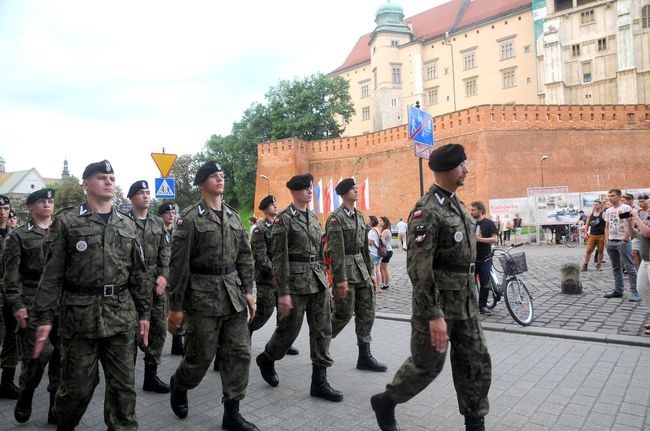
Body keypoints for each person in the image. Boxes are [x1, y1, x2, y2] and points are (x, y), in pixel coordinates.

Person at [371, 143, 491, 431]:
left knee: (476, 362)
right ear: (448, 169)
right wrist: (435, 314)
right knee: (427, 365)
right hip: (438, 304)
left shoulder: (457, 203)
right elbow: (419, 269)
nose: (467, 168)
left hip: (465, 301)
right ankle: (386, 401)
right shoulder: (427, 211)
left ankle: (475, 424)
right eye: (463, 164)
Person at [32, 160, 151, 430]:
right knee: (76, 391)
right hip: (79, 320)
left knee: (124, 391)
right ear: (86, 184)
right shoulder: (67, 221)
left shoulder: (127, 224)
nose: (109, 181)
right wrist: (44, 319)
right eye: (101, 177)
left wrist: (144, 314)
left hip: (121, 318)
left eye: (111, 177)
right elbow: (51, 275)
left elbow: (139, 275)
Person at [166, 161, 258, 431]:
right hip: (202, 297)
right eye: (214, 176)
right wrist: (176, 307)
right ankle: (180, 383)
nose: (220, 179)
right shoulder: (190, 218)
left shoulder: (231, 216)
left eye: (222, 175)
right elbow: (179, 266)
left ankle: (232, 412)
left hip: (233, 295)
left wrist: (248, 291)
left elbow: (244, 255)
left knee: (239, 353)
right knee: (200, 358)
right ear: (202, 182)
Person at [256, 173, 343, 402]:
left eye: (310, 188)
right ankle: (267, 358)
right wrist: (283, 292)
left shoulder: (313, 217)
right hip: (295, 283)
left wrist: (329, 280)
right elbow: (279, 258)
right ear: (294, 192)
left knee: (323, 329)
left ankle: (319, 381)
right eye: (305, 188)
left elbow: (321, 252)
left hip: (317, 281)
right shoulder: (283, 220)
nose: (309, 191)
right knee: (289, 330)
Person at [3, 189, 59, 424]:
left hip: (62, 301)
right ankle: (26, 392)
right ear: (30, 206)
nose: (47, 204)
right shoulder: (19, 237)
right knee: (38, 355)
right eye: (41, 201)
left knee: (62, 355)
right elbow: (11, 277)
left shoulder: (63, 231)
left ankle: (55, 403)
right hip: (32, 301)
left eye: (50, 201)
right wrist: (17, 305)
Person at [327, 178, 386, 373]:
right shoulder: (336, 218)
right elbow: (335, 251)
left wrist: (369, 271)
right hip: (346, 272)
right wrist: (340, 279)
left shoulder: (360, 217)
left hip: (361, 271)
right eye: (352, 188)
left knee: (367, 313)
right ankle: (321, 342)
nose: (356, 190)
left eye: (355, 187)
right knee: (343, 315)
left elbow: (364, 248)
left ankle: (365, 356)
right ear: (344, 193)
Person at [126, 180, 171, 394]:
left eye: (147, 192)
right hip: (132, 286)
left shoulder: (157, 222)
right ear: (132, 197)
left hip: (156, 284)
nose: (146, 196)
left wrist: (163, 276)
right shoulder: (123, 222)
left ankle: (151, 376)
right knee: (131, 333)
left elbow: (165, 251)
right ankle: (126, 379)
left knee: (159, 330)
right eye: (141, 193)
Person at [248, 195, 299, 355]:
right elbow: (261, 257)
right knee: (265, 311)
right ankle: (246, 331)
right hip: (267, 279)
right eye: (271, 204)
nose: (275, 206)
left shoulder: (280, 225)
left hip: (281, 278)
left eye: (275, 203)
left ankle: (281, 343)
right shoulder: (259, 230)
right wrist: (274, 273)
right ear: (264, 209)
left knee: (284, 313)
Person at [158, 202, 184, 357]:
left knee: (180, 310)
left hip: (175, 279)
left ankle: (177, 343)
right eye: (168, 213)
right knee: (161, 315)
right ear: (161, 215)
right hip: (161, 280)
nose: (171, 215)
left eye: (173, 213)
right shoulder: (156, 232)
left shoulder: (177, 232)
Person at [603, 189, 638, 301]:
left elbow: (629, 224)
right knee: (616, 267)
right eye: (609, 196)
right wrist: (607, 240)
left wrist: (625, 238)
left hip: (622, 241)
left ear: (619, 196)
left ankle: (635, 292)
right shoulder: (608, 210)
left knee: (629, 267)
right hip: (611, 241)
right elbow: (607, 226)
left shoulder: (625, 208)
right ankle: (618, 290)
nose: (610, 198)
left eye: (612, 195)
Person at [0, 195, 19, 400]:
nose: (2, 212)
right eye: (0, 208)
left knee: (12, 340)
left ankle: (6, 382)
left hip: (10, 296)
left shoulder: (14, 235)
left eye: (6, 208)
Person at [470, 201, 498, 315]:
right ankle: (470, 306)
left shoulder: (489, 223)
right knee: (469, 284)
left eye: (473, 210)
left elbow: (494, 239)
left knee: (484, 283)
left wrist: (479, 240)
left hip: (485, 258)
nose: (471, 212)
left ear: (480, 210)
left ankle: (482, 306)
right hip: (470, 258)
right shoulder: (469, 223)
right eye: (470, 210)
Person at [630, 207, 650, 334]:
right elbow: (634, 235)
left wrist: (636, 217)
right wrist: (628, 222)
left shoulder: (643, 222)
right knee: (642, 289)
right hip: (646, 260)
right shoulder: (645, 221)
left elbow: (647, 233)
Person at [582, 200, 606, 271]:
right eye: (594, 205)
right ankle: (585, 265)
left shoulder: (603, 214)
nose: (595, 206)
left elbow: (607, 225)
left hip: (601, 235)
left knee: (600, 251)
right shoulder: (590, 213)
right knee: (588, 250)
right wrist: (586, 233)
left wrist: (606, 236)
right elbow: (587, 224)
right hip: (592, 235)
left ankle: (599, 265)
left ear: (600, 205)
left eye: (596, 205)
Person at [631, 194, 649, 270]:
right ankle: (638, 269)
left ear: (648, 201)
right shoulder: (638, 211)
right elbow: (634, 223)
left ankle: (644, 266)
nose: (640, 203)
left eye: (642, 201)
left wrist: (640, 221)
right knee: (634, 253)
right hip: (638, 234)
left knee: (644, 254)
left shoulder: (648, 211)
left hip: (647, 236)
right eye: (639, 202)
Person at [367, 215, 383, 293]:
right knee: (378, 271)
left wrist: (366, 241)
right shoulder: (378, 229)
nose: (367, 221)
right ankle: (379, 288)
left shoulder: (371, 231)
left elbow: (370, 242)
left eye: (368, 220)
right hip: (379, 252)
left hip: (373, 252)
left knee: (373, 272)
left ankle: (376, 288)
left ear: (371, 221)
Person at [379, 216, 393, 290]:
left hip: (386, 251)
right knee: (382, 268)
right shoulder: (385, 230)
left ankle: (386, 284)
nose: (379, 222)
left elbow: (383, 243)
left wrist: (381, 238)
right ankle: (383, 283)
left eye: (381, 221)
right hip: (387, 250)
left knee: (384, 268)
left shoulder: (385, 231)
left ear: (385, 222)